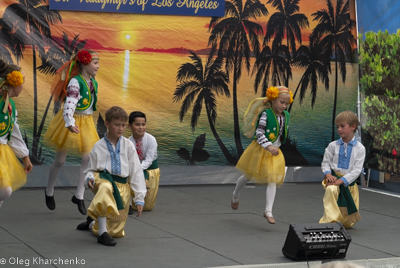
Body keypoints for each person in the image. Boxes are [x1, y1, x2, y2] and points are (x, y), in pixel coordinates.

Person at [76, 106, 146, 246]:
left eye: (123, 125)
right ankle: (102, 233)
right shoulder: (98, 146)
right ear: (107, 124)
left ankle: (93, 223)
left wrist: (139, 198)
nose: (120, 128)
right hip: (102, 180)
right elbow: (91, 169)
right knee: (106, 187)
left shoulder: (128, 146)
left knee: (116, 232)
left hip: (121, 187)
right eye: (116, 125)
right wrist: (89, 178)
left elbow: (136, 172)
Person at [43, 50, 100, 215]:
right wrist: (69, 122)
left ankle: (79, 195)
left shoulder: (93, 83)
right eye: (95, 63)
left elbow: (89, 104)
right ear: (84, 63)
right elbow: (70, 103)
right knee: (60, 160)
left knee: (87, 158)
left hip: (86, 122)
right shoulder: (76, 82)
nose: (97, 67)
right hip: (71, 121)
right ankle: (49, 190)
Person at [231, 86, 293, 224]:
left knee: (272, 180)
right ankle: (235, 195)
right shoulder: (266, 114)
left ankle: (268, 211)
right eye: (281, 102)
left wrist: (275, 146)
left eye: (286, 103)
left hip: (275, 153)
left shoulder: (286, 116)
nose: (284, 106)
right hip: (260, 151)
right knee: (247, 176)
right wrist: (268, 145)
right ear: (272, 100)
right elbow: (259, 133)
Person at [319, 111, 365, 228]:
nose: (339, 129)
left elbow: (356, 171)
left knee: (347, 223)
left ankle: (339, 220)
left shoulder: (360, 148)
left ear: (353, 126)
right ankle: (330, 221)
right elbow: (325, 162)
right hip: (332, 179)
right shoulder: (333, 145)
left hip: (348, 184)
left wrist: (341, 181)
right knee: (331, 190)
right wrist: (328, 175)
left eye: (342, 126)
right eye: (337, 126)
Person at [0, 59, 33, 208]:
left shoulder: (11, 106)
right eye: (22, 83)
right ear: (15, 83)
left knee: (3, 189)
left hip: (3, 153)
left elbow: (13, 133)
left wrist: (24, 156)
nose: (23, 87)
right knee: (5, 191)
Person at [127, 111, 159, 213]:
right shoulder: (128, 142)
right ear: (130, 126)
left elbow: (149, 160)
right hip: (134, 170)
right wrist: (134, 171)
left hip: (150, 170)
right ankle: (128, 203)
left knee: (147, 207)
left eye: (143, 124)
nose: (141, 127)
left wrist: (137, 171)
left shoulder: (151, 140)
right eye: (137, 124)